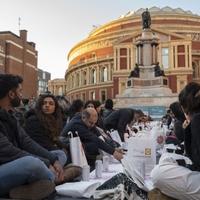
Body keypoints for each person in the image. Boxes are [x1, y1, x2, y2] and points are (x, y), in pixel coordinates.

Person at [0, 74, 61, 199]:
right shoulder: (31, 119)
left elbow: (26, 142)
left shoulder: (10, 116)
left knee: (58, 155)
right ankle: (56, 180)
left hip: (14, 165)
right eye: (20, 91)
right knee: (32, 163)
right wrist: (45, 162)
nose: (21, 95)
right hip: (5, 167)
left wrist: (52, 159)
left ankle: (25, 190)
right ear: (11, 94)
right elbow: (10, 152)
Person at [151, 82, 200, 200]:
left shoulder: (197, 120)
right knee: (167, 158)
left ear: (183, 107)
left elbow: (196, 158)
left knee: (158, 174)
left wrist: (187, 128)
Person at [24, 94, 67, 166]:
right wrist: (58, 148)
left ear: (55, 108)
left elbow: (53, 138)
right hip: (34, 152)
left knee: (66, 148)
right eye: (44, 103)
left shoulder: (52, 120)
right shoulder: (33, 120)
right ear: (40, 106)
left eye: (51, 104)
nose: (47, 105)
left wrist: (64, 146)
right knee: (61, 154)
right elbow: (39, 143)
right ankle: (56, 175)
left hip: (45, 149)